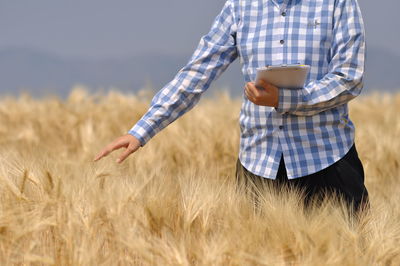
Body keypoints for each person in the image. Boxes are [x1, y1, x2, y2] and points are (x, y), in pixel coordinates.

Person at [94, 0, 370, 218]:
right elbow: (197, 72)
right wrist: (142, 130)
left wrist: (284, 100)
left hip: (327, 161)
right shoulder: (240, 5)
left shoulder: (337, 2)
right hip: (259, 164)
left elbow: (349, 78)